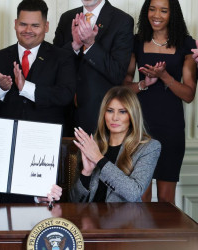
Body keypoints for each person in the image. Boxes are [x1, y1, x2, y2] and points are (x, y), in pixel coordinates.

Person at [123, 0, 197, 204]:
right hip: (140, 127)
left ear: (172, 14)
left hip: (171, 129)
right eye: (152, 9)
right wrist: (144, 84)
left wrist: (165, 77)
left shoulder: (186, 44)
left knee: (166, 202)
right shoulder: (135, 42)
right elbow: (123, 87)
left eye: (164, 10)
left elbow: (189, 94)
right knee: (139, 196)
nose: (156, 15)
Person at [0, 0, 76, 135]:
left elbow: (65, 95)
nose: (28, 30)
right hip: (6, 136)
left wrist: (26, 87)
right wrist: (1, 88)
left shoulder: (62, 57)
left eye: (35, 25)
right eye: (23, 24)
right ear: (15, 24)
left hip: (46, 136)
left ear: (46, 26)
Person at [53, 0, 134, 135]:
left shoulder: (122, 20)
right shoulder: (67, 18)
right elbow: (54, 65)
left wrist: (91, 45)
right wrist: (74, 46)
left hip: (98, 116)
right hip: (63, 113)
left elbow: (117, 73)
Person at [70, 86, 161, 202]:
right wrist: (86, 173)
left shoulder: (148, 148)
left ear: (133, 115)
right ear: (104, 113)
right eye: (110, 110)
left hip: (124, 220)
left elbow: (133, 193)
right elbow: (73, 202)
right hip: (90, 218)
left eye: (122, 112)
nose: (115, 117)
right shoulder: (92, 145)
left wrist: (99, 159)